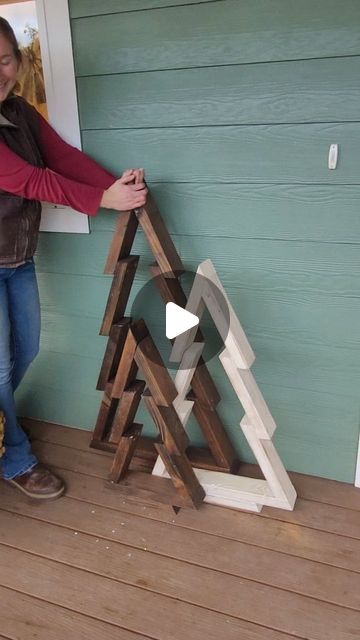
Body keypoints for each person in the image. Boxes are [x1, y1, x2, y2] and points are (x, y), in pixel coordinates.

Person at [0, 17, 147, 500]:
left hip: (16, 260)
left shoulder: (19, 113)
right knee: (0, 369)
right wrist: (101, 202)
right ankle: (16, 458)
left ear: (17, 63)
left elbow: (60, 158)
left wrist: (111, 186)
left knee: (27, 350)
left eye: (2, 60)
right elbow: (29, 181)